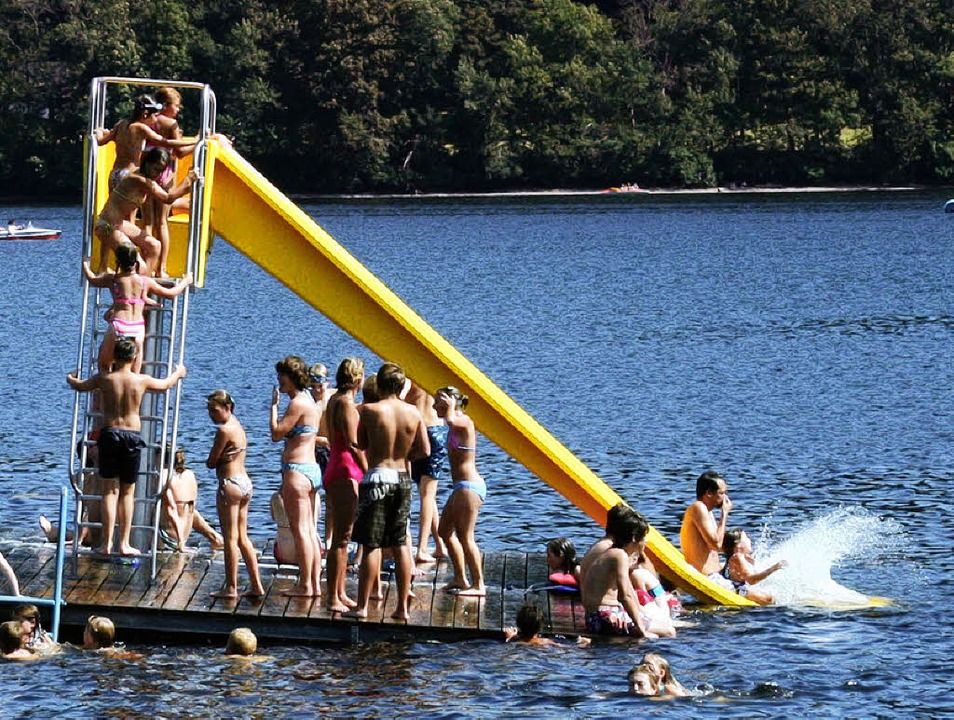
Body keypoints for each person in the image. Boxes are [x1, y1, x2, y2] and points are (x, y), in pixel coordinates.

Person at [67, 338, 186, 557]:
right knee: (127, 492)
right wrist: (178, 373)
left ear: (114, 357)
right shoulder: (140, 380)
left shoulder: (104, 379)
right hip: (131, 435)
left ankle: (106, 544)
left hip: (110, 433)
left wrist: (70, 377)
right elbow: (165, 384)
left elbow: (79, 386)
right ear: (133, 358)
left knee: (109, 491)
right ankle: (124, 543)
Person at [346, 362, 429, 621]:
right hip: (402, 478)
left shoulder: (370, 410)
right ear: (402, 385)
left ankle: (361, 607)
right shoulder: (413, 412)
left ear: (379, 385)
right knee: (401, 542)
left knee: (371, 545)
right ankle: (401, 608)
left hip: (377, 477)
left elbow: (360, 443)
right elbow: (425, 450)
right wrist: (405, 453)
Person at [83, 241, 193, 373]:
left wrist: (85, 264)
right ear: (136, 263)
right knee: (134, 374)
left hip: (119, 324)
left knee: (104, 366)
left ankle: (107, 390)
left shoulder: (113, 279)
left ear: (117, 261)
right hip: (137, 327)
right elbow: (170, 293)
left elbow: (92, 279)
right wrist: (186, 281)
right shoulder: (145, 281)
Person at [93, 146, 198, 275]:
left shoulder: (147, 181)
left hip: (119, 224)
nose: (158, 174)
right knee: (139, 267)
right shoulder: (138, 179)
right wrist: (187, 180)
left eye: (161, 172)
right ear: (147, 163)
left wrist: (188, 188)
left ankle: (144, 282)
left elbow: (169, 200)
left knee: (155, 246)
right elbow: (168, 198)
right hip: (107, 226)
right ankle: (141, 280)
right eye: (156, 169)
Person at [270, 356, 322, 597]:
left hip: (297, 470)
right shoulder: (311, 401)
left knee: (300, 530)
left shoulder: (297, 403)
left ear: (292, 378)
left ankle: (306, 585)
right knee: (310, 530)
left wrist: (272, 407)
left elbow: (277, 434)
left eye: (282, 376)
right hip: (311, 470)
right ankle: (314, 584)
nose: (279, 380)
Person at [206, 390, 265, 599]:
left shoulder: (224, 430)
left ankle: (231, 587)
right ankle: (256, 584)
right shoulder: (238, 426)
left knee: (230, 538)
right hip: (245, 483)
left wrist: (216, 459)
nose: (211, 415)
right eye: (209, 411)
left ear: (227, 408)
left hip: (230, 484)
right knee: (242, 537)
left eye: (214, 410)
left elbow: (211, 462)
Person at [580, 510, 675, 638]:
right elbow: (625, 596)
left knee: (659, 629)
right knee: (669, 632)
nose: (645, 542)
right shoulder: (620, 556)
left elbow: (627, 593)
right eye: (644, 537)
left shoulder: (612, 552)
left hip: (595, 617)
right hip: (606, 616)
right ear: (634, 538)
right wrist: (641, 629)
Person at [322, 358, 367, 612]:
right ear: (358, 380)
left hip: (337, 465)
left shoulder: (334, 399)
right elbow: (353, 443)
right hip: (346, 469)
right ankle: (332, 597)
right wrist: (370, 470)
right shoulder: (347, 403)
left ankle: (339, 592)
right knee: (342, 538)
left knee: (343, 537)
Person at [435, 386, 486, 597]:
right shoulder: (453, 422)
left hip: (469, 486)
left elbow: (452, 421)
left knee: (466, 536)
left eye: (437, 402)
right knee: (443, 530)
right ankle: (460, 577)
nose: (433, 406)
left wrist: (448, 408)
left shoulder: (463, 421)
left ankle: (479, 585)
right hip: (459, 487)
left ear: (449, 403)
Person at [142, 87, 196, 277]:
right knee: (162, 222)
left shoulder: (146, 121)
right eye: (176, 106)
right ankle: (161, 268)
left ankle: (145, 266)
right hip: (165, 173)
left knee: (148, 222)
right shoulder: (170, 123)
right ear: (166, 105)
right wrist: (198, 140)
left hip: (146, 172)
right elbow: (179, 152)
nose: (178, 110)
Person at [401, 380, 447, 564]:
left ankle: (427, 547)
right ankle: (434, 545)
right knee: (428, 494)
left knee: (426, 494)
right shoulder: (434, 374)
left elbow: (401, 396)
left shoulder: (409, 374)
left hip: (416, 430)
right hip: (434, 429)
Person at [159, 444, 223, 552]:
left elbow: (172, 509)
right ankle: (215, 538)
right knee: (187, 508)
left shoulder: (163, 476)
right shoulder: (190, 474)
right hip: (183, 536)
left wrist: (181, 543)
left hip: (167, 541)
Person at [680, 470, 733, 577]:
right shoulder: (698, 508)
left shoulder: (708, 512)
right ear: (709, 493)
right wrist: (724, 514)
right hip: (707, 577)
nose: (725, 498)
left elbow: (721, 545)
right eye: (722, 493)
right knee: (764, 594)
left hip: (717, 573)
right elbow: (716, 545)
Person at [721, 528, 787, 605]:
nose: (749, 540)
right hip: (738, 590)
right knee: (769, 599)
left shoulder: (743, 557)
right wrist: (773, 569)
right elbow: (750, 580)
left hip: (740, 587)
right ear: (738, 546)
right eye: (746, 538)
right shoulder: (738, 557)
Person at [502, 604, 590, 647]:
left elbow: (508, 643)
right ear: (540, 627)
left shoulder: (515, 640)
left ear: (518, 624)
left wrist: (509, 637)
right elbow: (568, 648)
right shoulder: (544, 642)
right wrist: (583, 643)